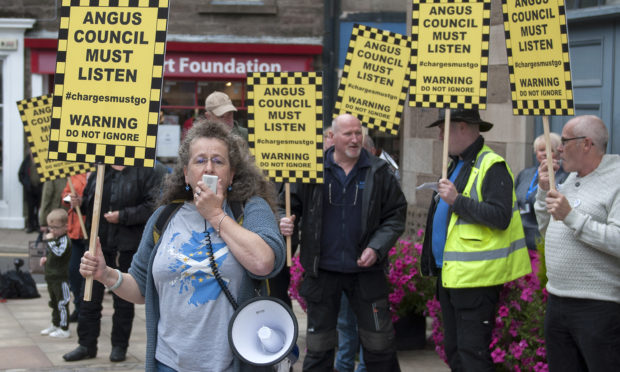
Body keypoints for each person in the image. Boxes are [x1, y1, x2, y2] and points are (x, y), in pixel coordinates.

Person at [79, 119, 285, 371]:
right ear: (186, 174)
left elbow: (264, 263)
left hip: (231, 364)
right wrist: (106, 274)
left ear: (231, 175)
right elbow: (141, 288)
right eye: (199, 160)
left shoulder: (251, 209)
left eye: (218, 161)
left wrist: (216, 215)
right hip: (169, 363)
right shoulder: (164, 217)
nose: (208, 167)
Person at [280, 113, 406, 371]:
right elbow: (287, 207)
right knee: (318, 348)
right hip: (322, 274)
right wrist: (283, 220)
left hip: (367, 275)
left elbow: (395, 215)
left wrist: (377, 247)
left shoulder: (378, 172)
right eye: (348, 133)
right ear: (332, 137)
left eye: (358, 133)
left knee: (379, 346)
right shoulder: (310, 171)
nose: (355, 138)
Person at [420, 108, 531, 371]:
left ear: (461, 127)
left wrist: (457, 200)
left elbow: (500, 216)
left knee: (472, 355)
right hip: (453, 276)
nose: (439, 137)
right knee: (456, 351)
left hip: (476, 280)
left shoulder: (492, 165)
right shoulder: (457, 162)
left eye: (442, 129)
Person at [534, 115, 620, 371]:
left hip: (598, 307)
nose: (558, 148)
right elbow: (546, 227)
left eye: (565, 141)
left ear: (587, 144)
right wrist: (543, 190)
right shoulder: (570, 179)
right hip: (558, 300)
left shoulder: (616, 181)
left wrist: (572, 217)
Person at [63, 164, 165, 362]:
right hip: (97, 245)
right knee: (89, 296)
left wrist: (123, 216)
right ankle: (86, 344)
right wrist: (79, 202)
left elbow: (152, 207)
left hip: (127, 245)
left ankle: (119, 346)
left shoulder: (144, 172)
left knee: (124, 300)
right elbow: (91, 205)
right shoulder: (101, 170)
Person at [515, 133, 568, 250]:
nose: (545, 153)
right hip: (520, 239)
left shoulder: (565, 176)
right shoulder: (525, 173)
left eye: (550, 150)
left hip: (543, 240)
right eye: (541, 150)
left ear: (559, 152)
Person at [39, 208, 72, 338]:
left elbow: (59, 252)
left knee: (62, 303)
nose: (52, 231)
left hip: (61, 277)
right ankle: (56, 324)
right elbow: (53, 254)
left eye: (55, 228)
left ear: (65, 227)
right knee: (53, 302)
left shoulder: (64, 240)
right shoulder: (56, 239)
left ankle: (64, 329)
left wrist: (50, 240)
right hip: (51, 277)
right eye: (50, 227)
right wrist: (46, 259)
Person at [61, 173, 89, 322]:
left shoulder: (101, 173)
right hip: (76, 231)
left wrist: (83, 201)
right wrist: (70, 199)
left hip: (91, 230)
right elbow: (64, 197)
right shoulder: (75, 174)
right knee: (73, 271)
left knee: (90, 274)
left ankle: (87, 308)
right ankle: (79, 307)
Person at [18, 152, 42, 233]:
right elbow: (21, 174)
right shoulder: (27, 160)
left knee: (40, 208)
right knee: (30, 208)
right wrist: (26, 184)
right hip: (30, 189)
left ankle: (39, 225)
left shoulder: (42, 158)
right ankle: (31, 226)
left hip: (40, 188)